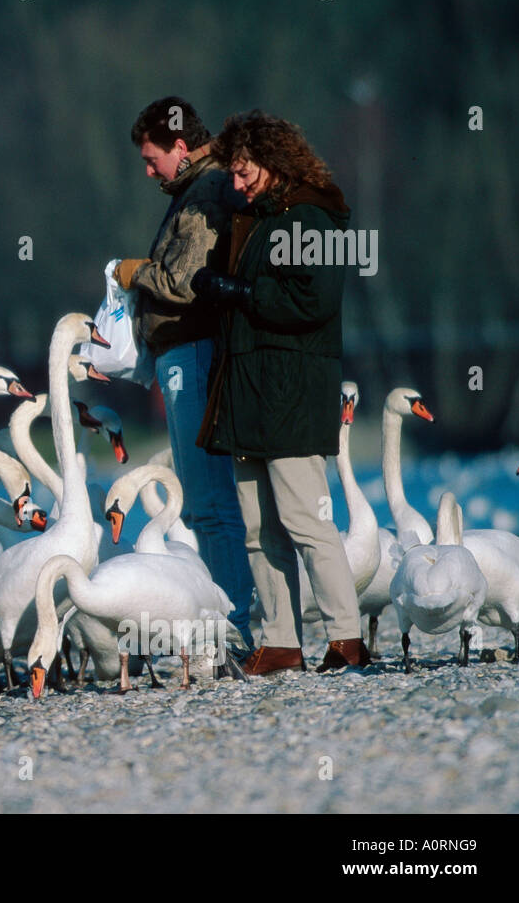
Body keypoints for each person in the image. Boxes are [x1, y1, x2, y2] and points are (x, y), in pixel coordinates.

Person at [192, 110, 369, 675]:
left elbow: (313, 303)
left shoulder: (314, 218)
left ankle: (346, 639)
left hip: (290, 393)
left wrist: (239, 290)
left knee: (306, 520)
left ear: (273, 160)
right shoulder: (259, 221)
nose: (236, 184)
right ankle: (281, 642)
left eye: (244, 172)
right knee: (257, 528)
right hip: (248, 394)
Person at [116, 96, 255, 651]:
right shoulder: (196, 188)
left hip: (193, 355)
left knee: (209, 501)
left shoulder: (205, 192)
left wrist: (132, 272)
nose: (148, 172)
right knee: (204, 502)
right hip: (185, 356)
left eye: (152, 159)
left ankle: (235, 625)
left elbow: (183, 280)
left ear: (180, 146)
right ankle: (233, 618)